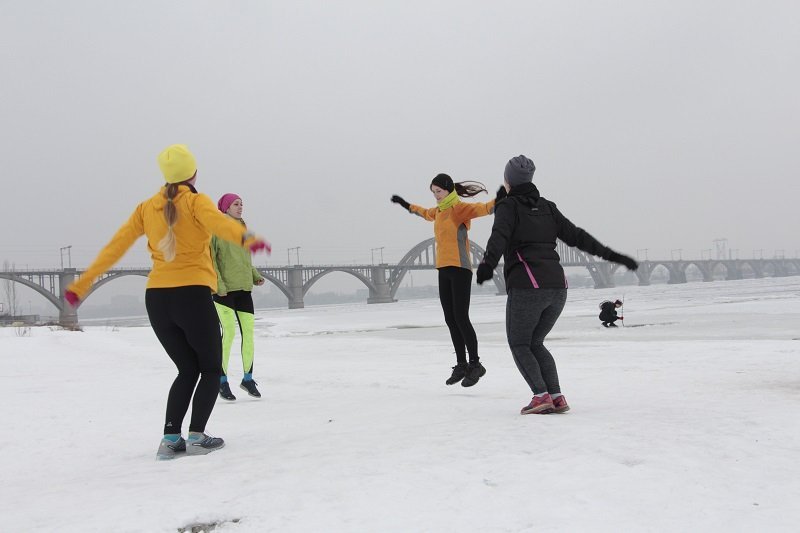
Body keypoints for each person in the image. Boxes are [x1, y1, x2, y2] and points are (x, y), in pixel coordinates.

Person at [64, 144, 269, 460]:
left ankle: (171, 439)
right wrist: (248, 238)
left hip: (157, 299)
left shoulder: (146, 207)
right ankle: (198, 436)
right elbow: (219, 224)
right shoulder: (195, 201)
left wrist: (83, 281)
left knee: (186, 369)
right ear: (193, 173)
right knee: (211, 368)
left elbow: (115, 246)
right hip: (192, 295)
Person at [476, 155, 638, 414]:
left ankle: (541, 397)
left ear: (508, 180)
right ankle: (556, 396)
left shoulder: (508, 207)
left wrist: (486, 265)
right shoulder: (548, 207)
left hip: (528, 287)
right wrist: (610, 254)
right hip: (557, 289)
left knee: (520, 343)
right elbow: (576, 236)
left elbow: (499, 237)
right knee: (535, 342)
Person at [391, 173, 498, 387]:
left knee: (461, 317)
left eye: (438, 192)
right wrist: (404, 204)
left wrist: (505, 197)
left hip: (460, 267)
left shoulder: (458, 208)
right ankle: (461, 364)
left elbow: (483, 208)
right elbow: (423, 212)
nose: (436, 196)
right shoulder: (438, 211)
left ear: (448, 190)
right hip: (443, 268)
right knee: (450, 318)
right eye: (433, 192)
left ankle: (475, 364)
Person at [211, 193, 266, 401]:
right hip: (224, 291)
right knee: (230, 333)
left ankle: (248, 379)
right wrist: (219, 285)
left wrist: (255, 276)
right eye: (236, 204)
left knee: (249, 334)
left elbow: (244, 260)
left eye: (242, 204)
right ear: (225, 207)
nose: (240, 207)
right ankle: (221, 380)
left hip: (243, 289)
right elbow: (212, 259)